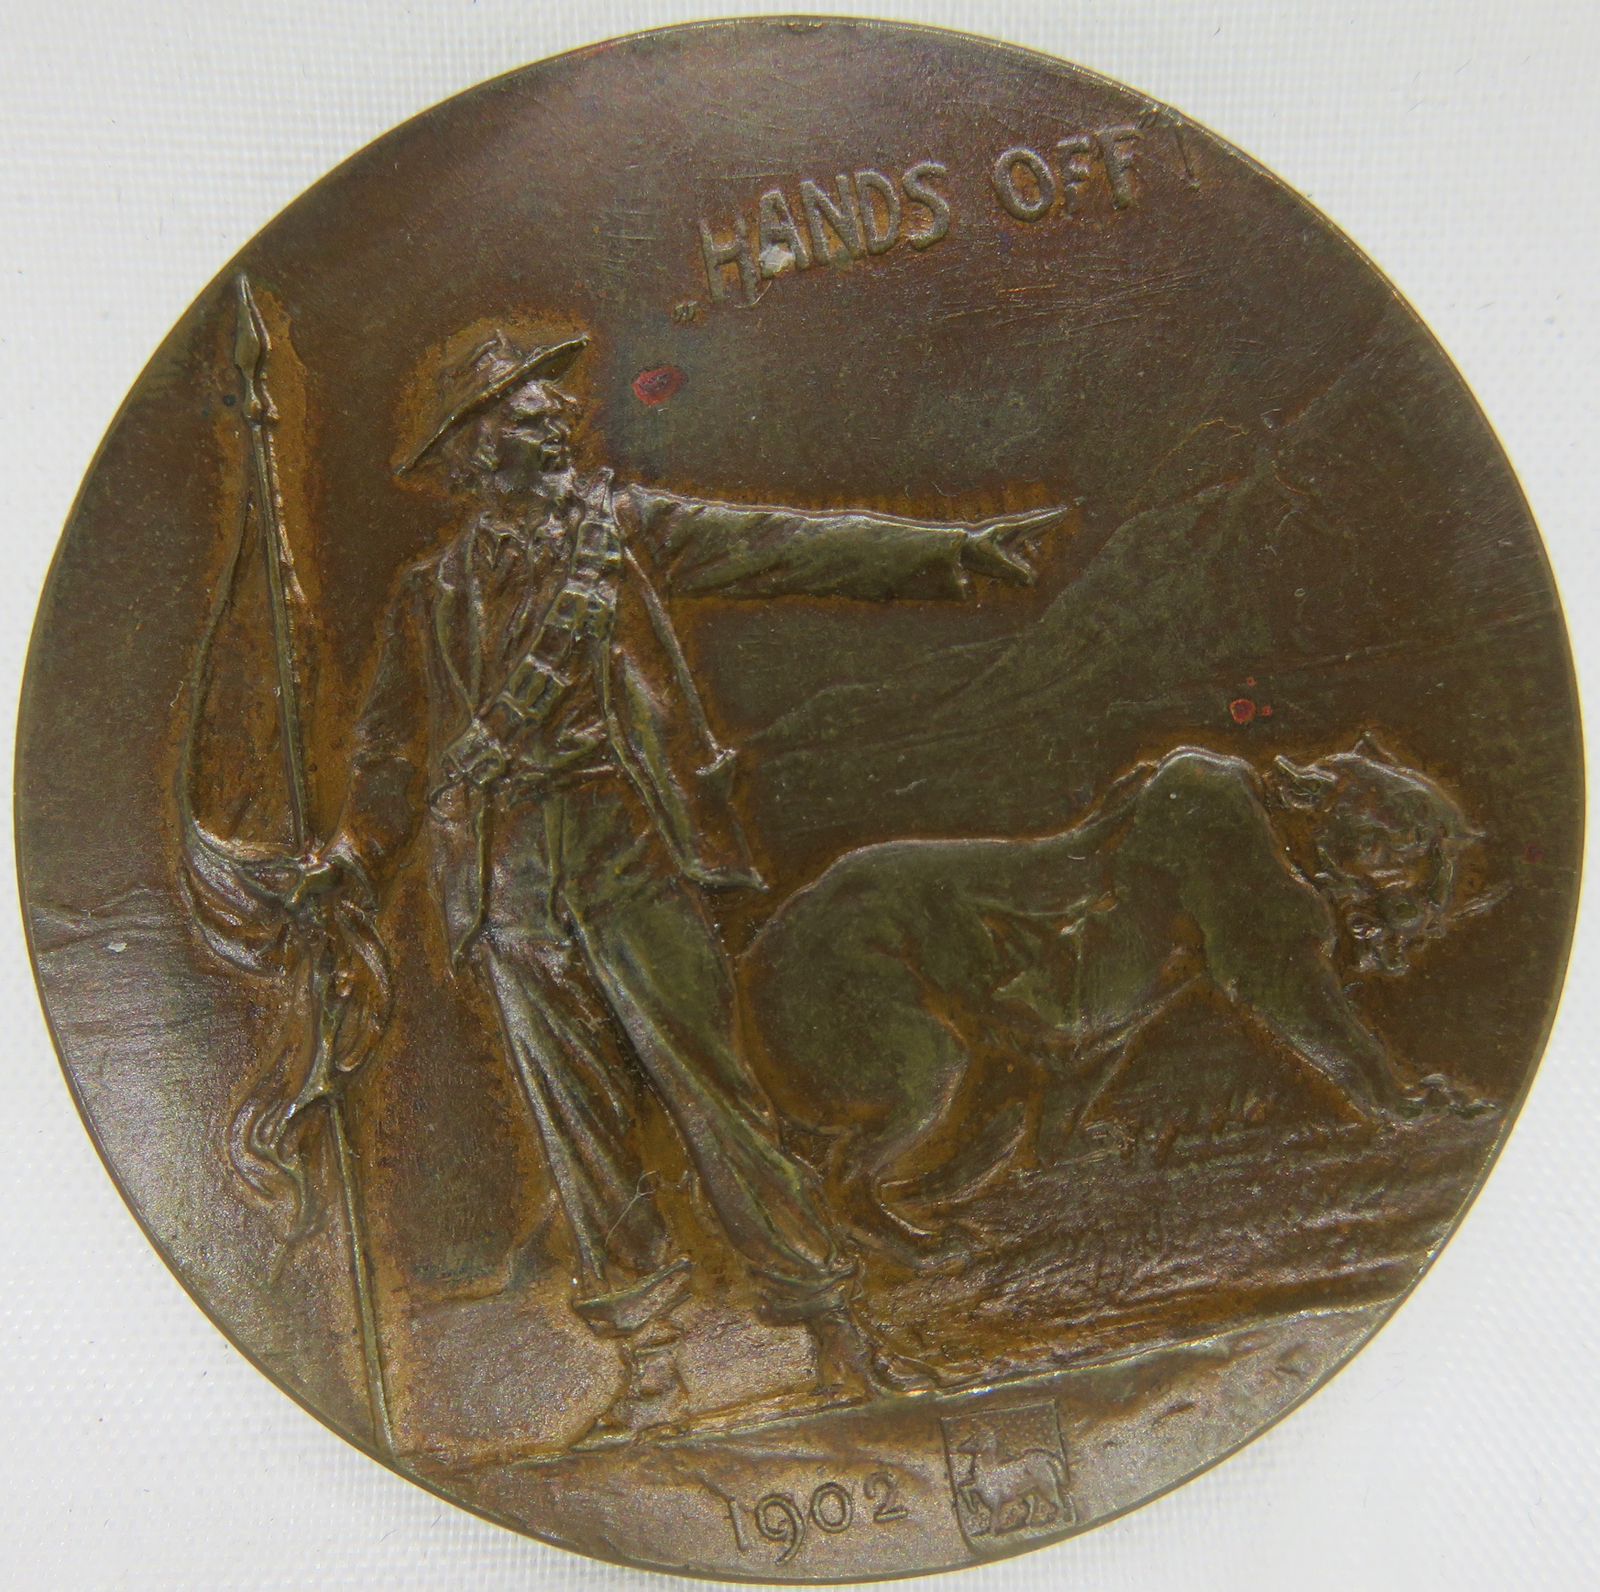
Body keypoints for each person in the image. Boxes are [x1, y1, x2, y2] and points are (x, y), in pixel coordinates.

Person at [295, 327, 1072, 1443]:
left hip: (626, 843)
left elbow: (780, 546)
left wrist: (949, 550)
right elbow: (384, 751)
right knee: (578, 1131)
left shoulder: (624, 531)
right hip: (506, 878)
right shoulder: (432, 594)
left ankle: (835, 1330)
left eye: (552, 403)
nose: (558, 416)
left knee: (715, 1096)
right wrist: (350, 855)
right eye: (526, 408)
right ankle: (650, 1370)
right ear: (473, 449)